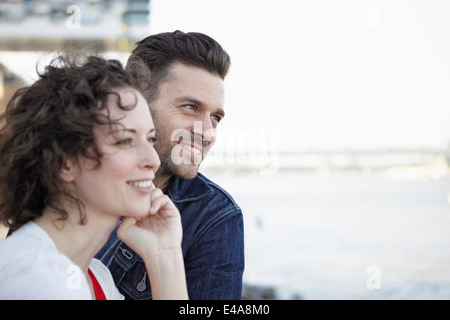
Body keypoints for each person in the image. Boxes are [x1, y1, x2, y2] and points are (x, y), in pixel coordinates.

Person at [0, 55, 188, 300]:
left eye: (150, 139)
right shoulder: (36, 277)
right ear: (64, 162)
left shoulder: (95, 277)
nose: (153, 160)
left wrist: (165, 254)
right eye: (125, 140)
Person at [96, 30, 245, 300]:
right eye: (190, 107)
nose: (209, 133)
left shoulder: (215, 216)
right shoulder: (65, 182)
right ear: (137, 100)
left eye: (216, 118)